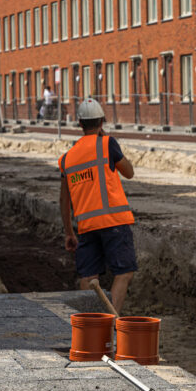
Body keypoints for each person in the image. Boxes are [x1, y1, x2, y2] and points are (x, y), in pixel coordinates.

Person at [59, 98, 138, 313]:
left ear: (80, 124)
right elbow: (129, 172)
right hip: (114, 222)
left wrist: (68, 232)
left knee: (88, 276)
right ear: (102, 121)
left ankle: (91, 325)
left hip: (86, 227)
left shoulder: (67, 158)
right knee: (124, 272)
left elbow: (63, 201)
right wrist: (107, 142)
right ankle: (111, 320)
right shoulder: (107, 144)